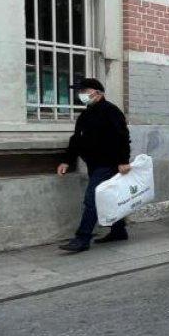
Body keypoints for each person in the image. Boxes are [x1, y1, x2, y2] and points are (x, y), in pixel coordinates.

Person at [56, 78, 131, 253]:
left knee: (93, 199)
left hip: (109, 164)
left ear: (97, 92)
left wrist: (123, 161)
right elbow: (76, 140)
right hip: (94, 164)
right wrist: (67, 160)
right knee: (109, 198)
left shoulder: (111, 111)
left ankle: (82, 238)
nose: (80, 94)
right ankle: (118, 231)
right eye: (79, 91)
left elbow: (122, 137)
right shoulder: (85, 114)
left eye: (84, 90)